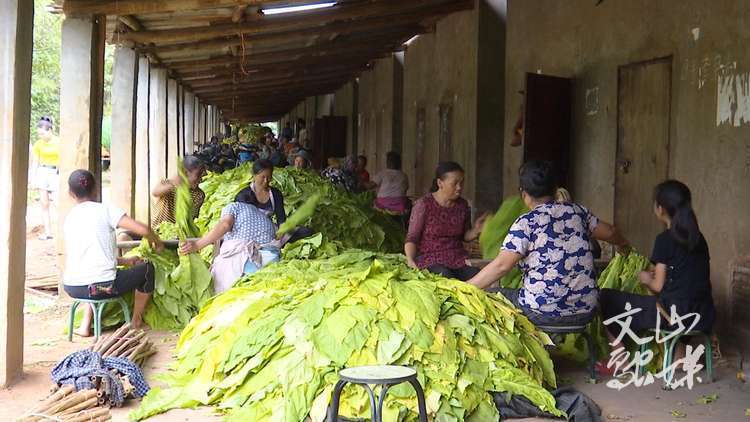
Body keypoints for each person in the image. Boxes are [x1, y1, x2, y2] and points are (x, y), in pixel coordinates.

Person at [467, 160, 629, 327]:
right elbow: (610, 232)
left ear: (524, 194)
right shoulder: (578, 212)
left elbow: (501, 266)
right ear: (555, 189)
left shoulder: (526, 223)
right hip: (586, 310)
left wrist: (463, 287)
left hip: (541, 311)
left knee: (490, 296)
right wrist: (624, 245)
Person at [598, 180, 715, 373]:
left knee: (605, 298)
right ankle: (680, 358)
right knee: (680, 300)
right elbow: (689, 277)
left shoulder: (665, 240)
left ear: (660, 209)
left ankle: (620, 360)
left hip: (675, 317)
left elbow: (658, 286)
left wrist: (645, 277)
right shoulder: (699, 238)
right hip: (704, 315)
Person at [63, 170, 163, 336]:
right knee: (147, 269)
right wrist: (158, 243)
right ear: (96, 189)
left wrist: (125, 261)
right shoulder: (106, 210)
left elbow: (92, 256)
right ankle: (136, 320)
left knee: (93, 275)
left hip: (73, 287)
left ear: (70, 193)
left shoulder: (70, 217)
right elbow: (144, 229)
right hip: (103, 287)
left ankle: (84, 326)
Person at [405, 162, 488, 281]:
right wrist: (410, 260)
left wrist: (476, 230)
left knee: (479, 277)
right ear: (440, 183)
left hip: (458, 260)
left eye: (461, 183)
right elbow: (412, 237)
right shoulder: (423, 205)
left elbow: (464, 235)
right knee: (446, 278)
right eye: (454, 183)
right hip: (431, 260)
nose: (459, 187)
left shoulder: (463, 205)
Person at [179, 197, 280, 293]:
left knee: (220, 281)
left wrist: (197, 245)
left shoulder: (234, 206)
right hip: (272, 262)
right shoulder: (262, 216)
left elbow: (225, 225)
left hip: (250, 263)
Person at [150, 155, 206, 228]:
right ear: (185, 173)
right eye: (198, 175)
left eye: (202, 176)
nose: (200, 179)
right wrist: (173, 184)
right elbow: (155, 192)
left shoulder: (199, 194)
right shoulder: (168, 183)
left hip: (180, 232)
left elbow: (191, 217)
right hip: (159, 228)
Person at [31, 116, 60, 240]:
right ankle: (48, 232)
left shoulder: (58, 142)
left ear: (50, 131)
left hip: (55, 172)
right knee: (44, 203)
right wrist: (33, 178)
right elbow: (35, 162)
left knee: (58, 202)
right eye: (39, 134)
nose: (41, 136)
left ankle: (62, 230)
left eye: (42, 133)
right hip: (43, 171)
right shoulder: (38, 144)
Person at [235, 159, 286, 226]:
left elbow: (281, 218)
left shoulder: (276, 194)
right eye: (263, 177)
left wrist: (281, 232)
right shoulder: (243, 196)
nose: (266, 181)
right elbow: (237, 221)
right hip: (247, 230)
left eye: (269, 177)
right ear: (254, 175)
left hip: (268, 229)